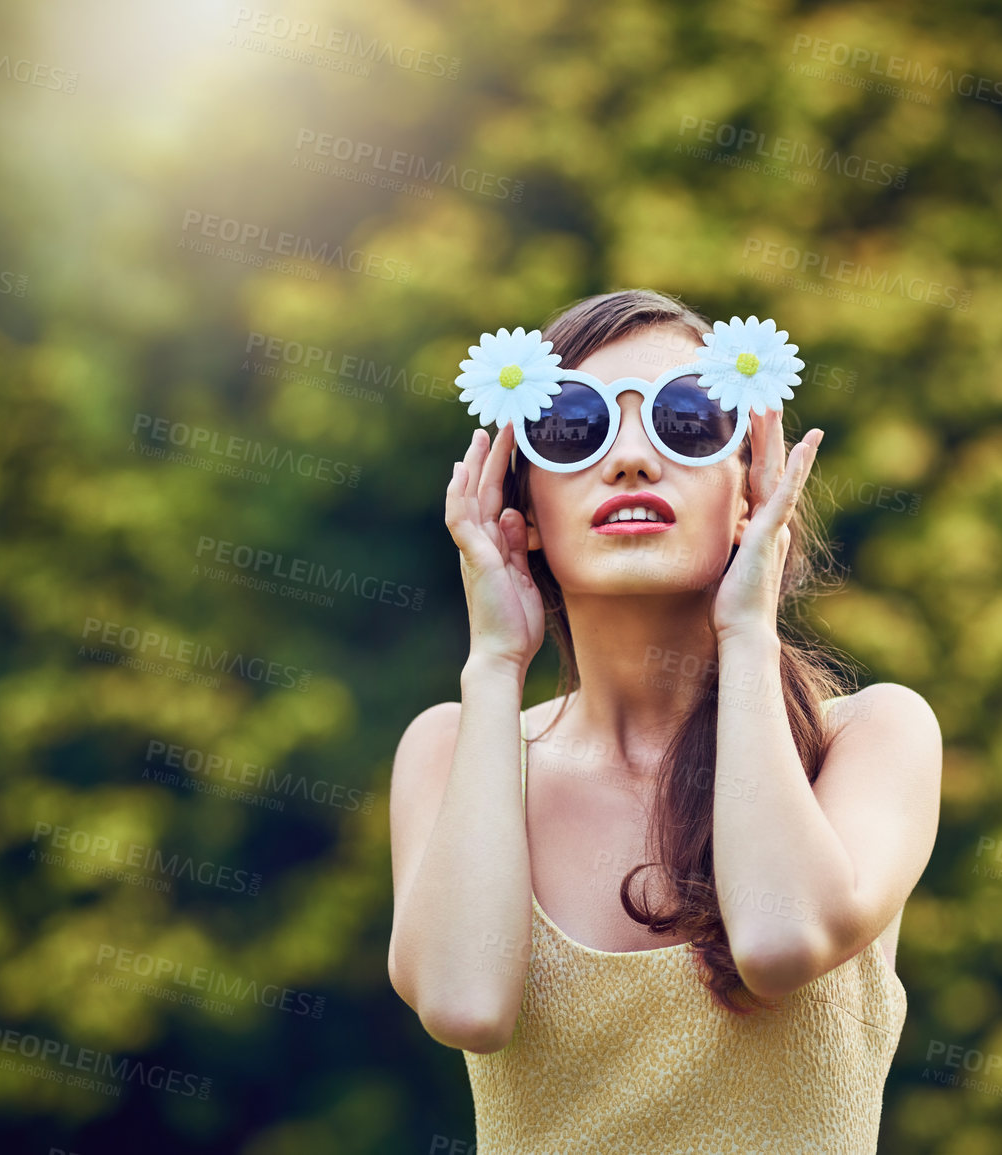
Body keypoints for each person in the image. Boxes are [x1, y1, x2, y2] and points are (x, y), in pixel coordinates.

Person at [386, 288, 942, 1153]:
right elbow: (466, 1004)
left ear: (750, 485)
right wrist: (494, 664)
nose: (632, 460)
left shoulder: (865, 741)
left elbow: (779, 937)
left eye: (689, 422)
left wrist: (747, 630)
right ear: (520, 507)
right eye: (575, 429)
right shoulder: (453, 749)